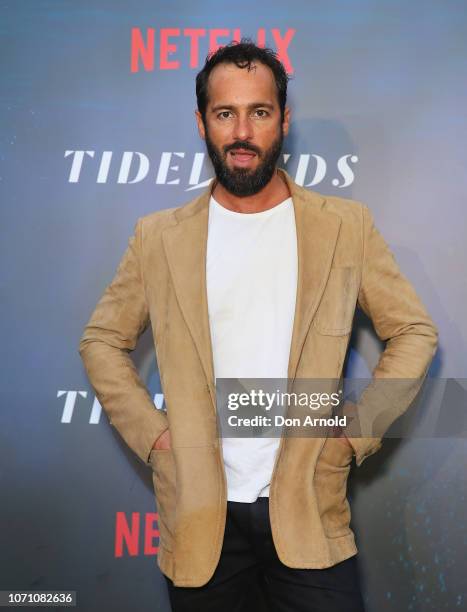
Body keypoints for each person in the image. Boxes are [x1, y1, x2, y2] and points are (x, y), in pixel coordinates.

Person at [79, 39, 438, 612]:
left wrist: (356, 431)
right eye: (225, 113)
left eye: (259, 112)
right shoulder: (158, 237)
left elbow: (414, 332)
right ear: (202, 124)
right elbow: (101, 340)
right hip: (200, 520)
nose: (242, 131)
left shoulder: (345, 226)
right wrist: (156, 437)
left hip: (309, 515)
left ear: (284, 121)